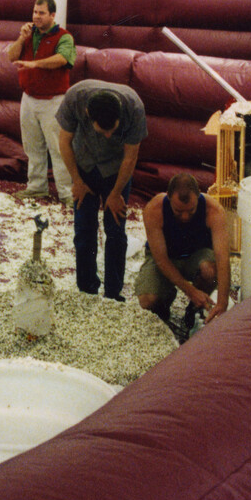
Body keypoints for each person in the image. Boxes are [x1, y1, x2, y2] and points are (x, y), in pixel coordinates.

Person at [56, 80, 147, 300]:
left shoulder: (134, 108)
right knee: (84, 228)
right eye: (102, 130)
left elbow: (130, 156)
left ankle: (113, 294)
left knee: (115, 230)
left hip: (116, 170)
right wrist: (77, 181)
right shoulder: (74, 98)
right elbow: (64, 141)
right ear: (88, 114)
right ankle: (86, 290)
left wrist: (115, 194)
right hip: (84, 164)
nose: (108, 135)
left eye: (112, 130)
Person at [134, 173, 230, 333]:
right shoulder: (154, 209)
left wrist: (222, 303)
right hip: (166, 259)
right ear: (168, 198)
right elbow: (161, 259)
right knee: (147, 301)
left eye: (191, 211)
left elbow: (223, 257)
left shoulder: (214, 210)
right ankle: (165, 300)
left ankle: (195, 309)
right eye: (178, 211)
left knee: (210, 270)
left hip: (196, 256)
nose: (185, 216)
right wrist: (190, 290)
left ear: (199, 197)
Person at [6, 0, 76, 204]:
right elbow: (11, 57)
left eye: (41, 13)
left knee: (58, 148)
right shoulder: (29, 35)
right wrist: (21, 38)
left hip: (53, 100)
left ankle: (66, 193)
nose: (36, 17)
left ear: (53, 15)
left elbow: (62, 59)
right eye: (35, 12)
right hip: (28, 98)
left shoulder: (64, 37)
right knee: (32, 146)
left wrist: (35, 64)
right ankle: (37, 187)